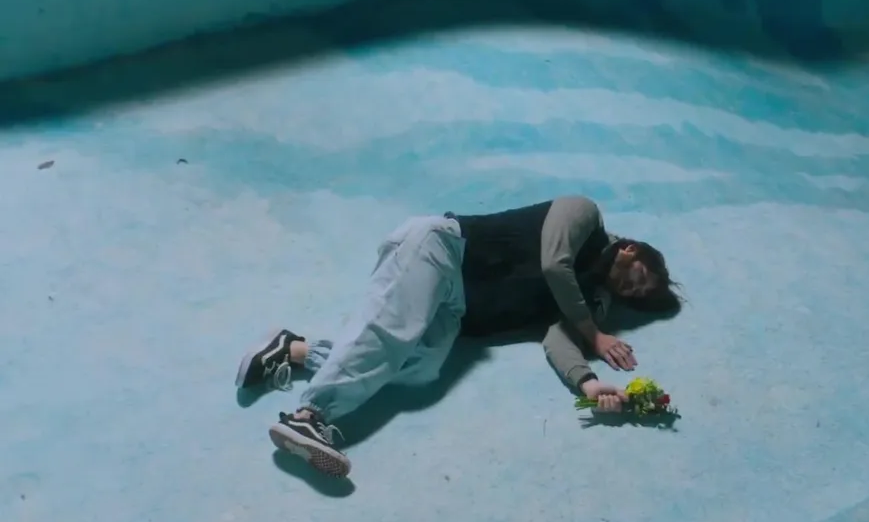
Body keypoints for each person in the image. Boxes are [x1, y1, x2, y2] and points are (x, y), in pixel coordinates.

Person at [234, 196, 680, 478]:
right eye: (640, 278)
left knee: (421, 368)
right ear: (630, 249)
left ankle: (291, 350)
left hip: (457, 308)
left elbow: (558, 340)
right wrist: (595, 334)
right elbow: (553, 263)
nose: (632, 290)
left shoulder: (593, 300)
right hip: (440, 249)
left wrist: (588, 383)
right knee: (391, 334)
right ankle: (309, 416)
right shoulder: (584, 214)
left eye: (638, 296)